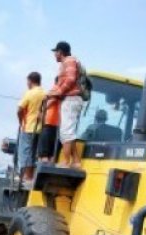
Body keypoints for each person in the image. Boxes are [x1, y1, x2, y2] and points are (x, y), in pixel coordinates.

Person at [48, 41, 85, 169]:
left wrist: (58, 92)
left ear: (60, 52)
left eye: (55, 52)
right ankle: (76, 161)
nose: (54, 55)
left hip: (71, 99)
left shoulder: (69, 61)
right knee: (68, 133)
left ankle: (66, 161)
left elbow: (70, 79)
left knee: (66, 132)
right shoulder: (68, 62)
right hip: (71, 99)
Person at [17, 71, 46, 186]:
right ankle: (30, 175)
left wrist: (21, 122)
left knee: (26, 152)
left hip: (28, 127)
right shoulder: (45, 94)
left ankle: (27, 176)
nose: (27, 83)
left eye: (27, 81)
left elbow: (19, 109)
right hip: (40, 128)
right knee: (34, 153)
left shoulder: (29, 93)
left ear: (30, 81)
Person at [37, 76, 61, 163]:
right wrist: (44, 109)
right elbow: (52, 101)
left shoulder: (54, 90)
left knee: (49, 141)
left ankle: (47, 158)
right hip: (50, 119)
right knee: (47, 141)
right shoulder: (56, 89)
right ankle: (45, 158)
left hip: (53, 120)